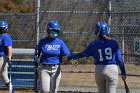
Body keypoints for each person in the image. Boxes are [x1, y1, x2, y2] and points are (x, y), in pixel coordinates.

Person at [63, 21, 126, 93]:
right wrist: (123, 73)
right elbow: (119, 59)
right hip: (112, 69)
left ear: (97, 32)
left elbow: (82, 54)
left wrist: (70, 57)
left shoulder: (93, 44)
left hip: (99, 70)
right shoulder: (114, 42)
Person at [34, 21, 71, 93]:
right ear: (48, 30)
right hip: (44, 68)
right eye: (53, 30)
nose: (55, 32)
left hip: (56, 69)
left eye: (56, 31)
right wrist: (35, 58)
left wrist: (71, 59)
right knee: (44, 90)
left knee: (53, 91)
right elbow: (37, 53)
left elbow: (67, 53)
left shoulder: (60, 42)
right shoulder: (42, 41)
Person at [0, 21, 14, 91]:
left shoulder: (5, 36)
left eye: (1, 28)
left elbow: (9, 48)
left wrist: (9, 58)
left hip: (2, 58)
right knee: (4, 77)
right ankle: (11, 90)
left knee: (3, 76)